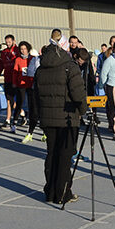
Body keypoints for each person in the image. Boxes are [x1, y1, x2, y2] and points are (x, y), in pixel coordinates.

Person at [36, 39, 87, 204]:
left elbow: (35, 95)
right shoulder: (70, 67)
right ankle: (63, 192)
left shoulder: (40, 69)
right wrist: (83, 110)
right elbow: (78, 93)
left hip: (48, 118)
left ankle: (50, 192)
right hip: (67, 118)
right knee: (65, 157)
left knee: (51, 154)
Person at [0, 34, 20, 129]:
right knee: (9, 100)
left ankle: (10, 119)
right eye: (6, 42)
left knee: (11, 100)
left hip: (16, 80)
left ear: (13, 41)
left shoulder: (18, 51)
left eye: (9, 42)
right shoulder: (4, 53)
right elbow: (0, 67)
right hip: (7, 79)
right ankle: (20, 113)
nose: (8, 44)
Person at [13, 41, 39, 142]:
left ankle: (28, 119)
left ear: (28, 49)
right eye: (21, 49)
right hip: (21, 85)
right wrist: (15, 83)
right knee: (20, 102)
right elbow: (15, 72)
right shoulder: (18, 59)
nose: (23, 51)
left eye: (25, 49)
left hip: (30, 85)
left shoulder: (32, 59)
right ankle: (14, 121)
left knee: (32, 105)